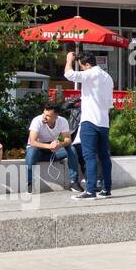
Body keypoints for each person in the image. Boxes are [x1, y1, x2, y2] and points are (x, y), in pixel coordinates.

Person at [66, 50, 115, 200]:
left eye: (81, 66)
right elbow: (109, 103)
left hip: (90, 121)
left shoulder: (91, 73)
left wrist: (69, 60)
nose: (81, 69)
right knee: (104, 156)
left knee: (89, 157)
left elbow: (69, 75)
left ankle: (90, 190)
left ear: (87, 64)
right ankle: (106, 189)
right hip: (103, 122)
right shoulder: (108, 77)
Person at [25, 101, 83, 192]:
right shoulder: (37, 120)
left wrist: (60, 144)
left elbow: (68, 139)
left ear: (56, 116)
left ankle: (74, 182)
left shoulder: (62, 121)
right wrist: (49, 146)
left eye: (48, 116)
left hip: (53, 151)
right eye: (44, 114)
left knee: (71, 149)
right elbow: (32, 142)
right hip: (38, 150)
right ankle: (29, 183)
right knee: (32, 150)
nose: (44, 117)